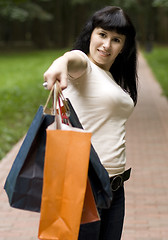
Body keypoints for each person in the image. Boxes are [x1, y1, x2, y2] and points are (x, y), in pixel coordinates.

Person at [43, 5, 138, 240]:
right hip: (84, 185)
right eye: (102, 35)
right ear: (91, 34)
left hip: (116, 186)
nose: (107, 45)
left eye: (116, 39)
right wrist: (60, 64)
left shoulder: (113, 79)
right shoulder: (84, 67)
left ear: (123, 46)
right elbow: (71, 58)